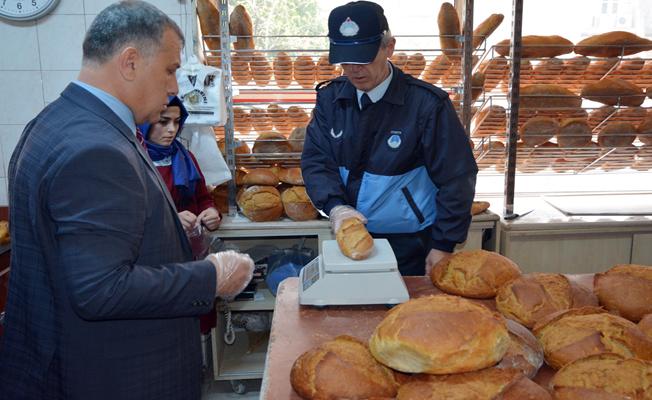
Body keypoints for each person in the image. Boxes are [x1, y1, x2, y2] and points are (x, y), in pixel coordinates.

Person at [0, 2, 254, 399]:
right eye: (170, 70)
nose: (174, 87)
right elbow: (101, 289)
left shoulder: (52, 122)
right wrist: (212, 276)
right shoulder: (96, 150)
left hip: (65, 363)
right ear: (130, 62)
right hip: (114, 376)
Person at [301, 1, 478, 276]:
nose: (354, 70)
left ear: (389, 47)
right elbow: (317, 161)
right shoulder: (331, 99)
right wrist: (335, 208)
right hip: (349, 237)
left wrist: (444, 242)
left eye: (364, 58)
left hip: (412, 245)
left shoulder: (427, 105)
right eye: (345, 60)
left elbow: (458, 178)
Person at [140, 96, 222, 235]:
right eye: (163, 122)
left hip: (190, 246)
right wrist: (169, 221)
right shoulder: (135, 160)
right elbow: (127, 214)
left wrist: (211, 213)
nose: (172, 129)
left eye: (177, 122)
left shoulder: (186, 158)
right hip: (153, 248)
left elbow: (203, 199)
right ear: (145, 122)